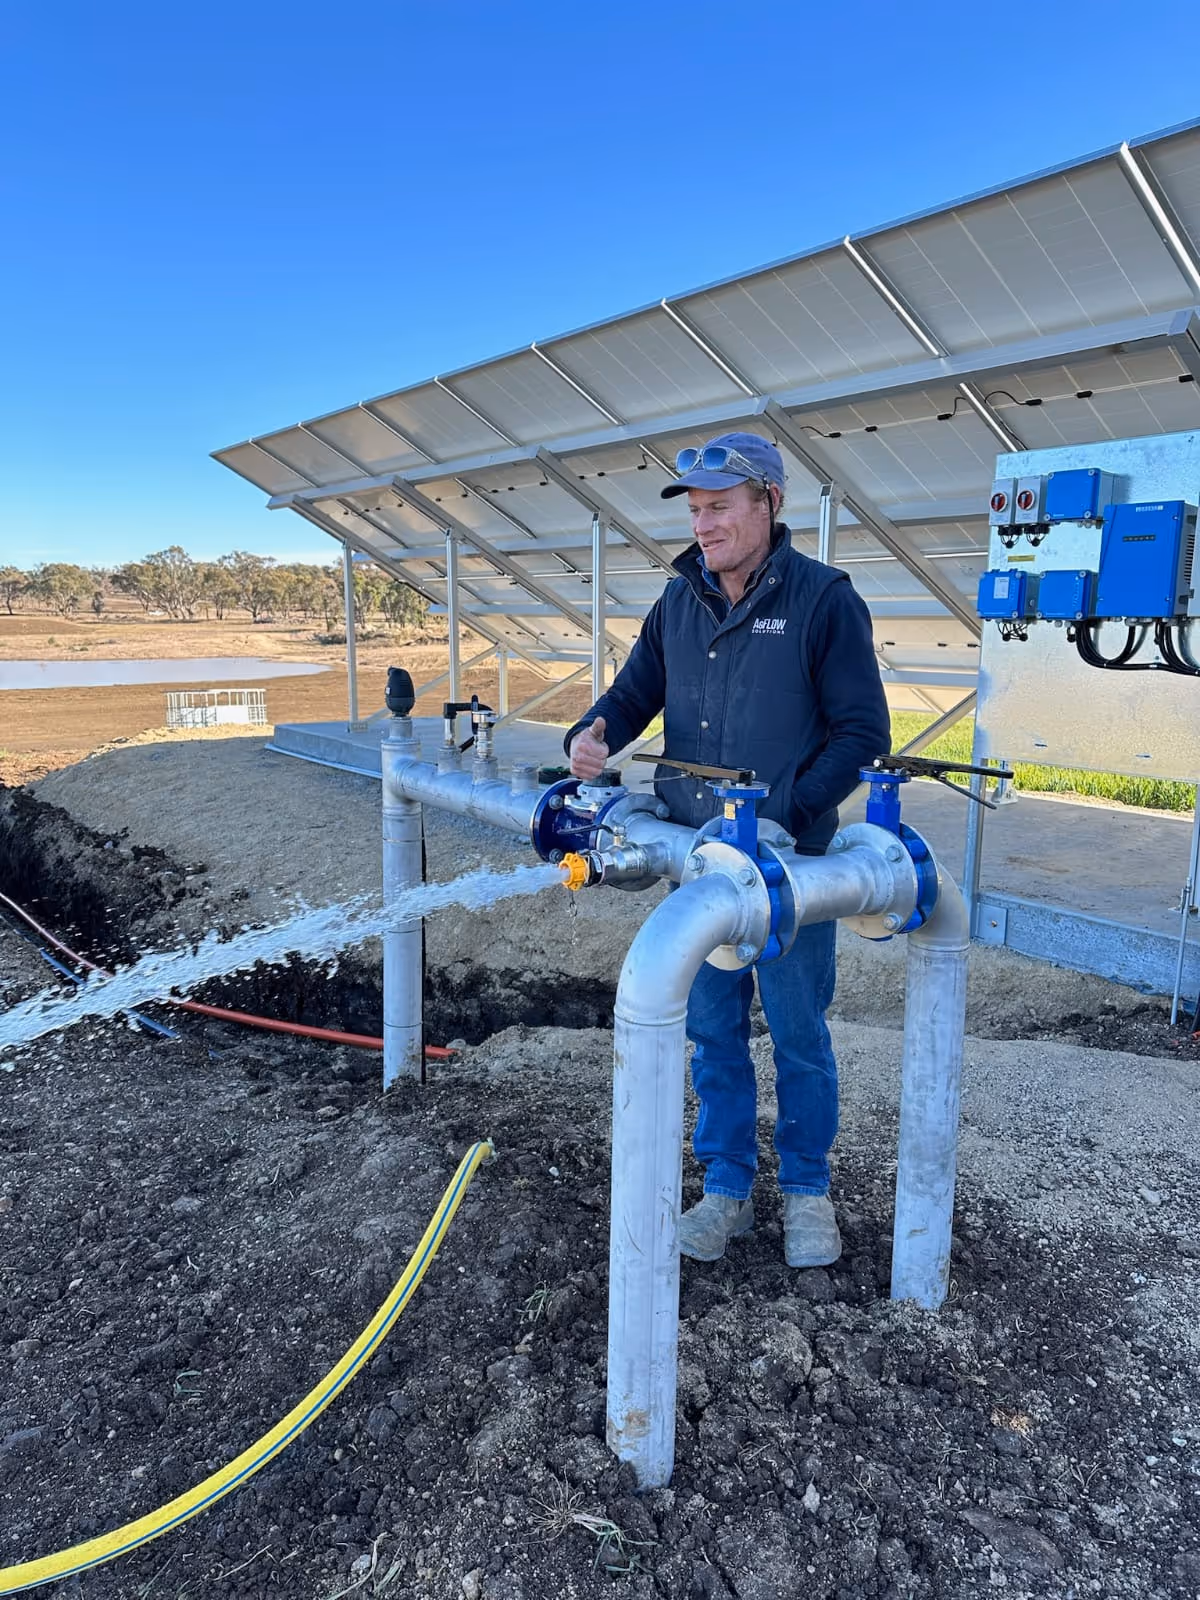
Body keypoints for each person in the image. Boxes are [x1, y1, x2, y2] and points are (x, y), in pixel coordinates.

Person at [565, 432, 889, 1268]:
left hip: (788, 870)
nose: (703, 526)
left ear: (768, 504)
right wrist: (593, 732)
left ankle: (809, 1193)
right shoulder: (678, 600)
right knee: (711, 1030)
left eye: (718, 508)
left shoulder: (823, 600)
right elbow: (634, 692)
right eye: (696, 510)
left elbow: (863, 731)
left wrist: (787, 811)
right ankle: (728, 1188)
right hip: (696, 861)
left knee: (797, 1032)